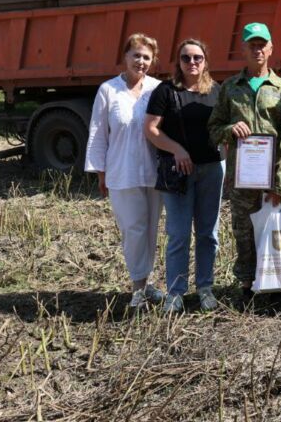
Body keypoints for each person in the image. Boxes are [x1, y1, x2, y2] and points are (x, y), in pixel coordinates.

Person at [207, 22, 281, 309]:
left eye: (262, 44)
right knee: (244, 232)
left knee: (275, 231)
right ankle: (247, 289)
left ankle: (277, 290)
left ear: (270, 49)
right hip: (242, 177)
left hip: (272, 177)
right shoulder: (230, 88)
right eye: (252, 45)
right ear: (243, 50)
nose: (257, 49)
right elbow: (214, 128)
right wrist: (229, 129)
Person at [144, 39, 224, 313]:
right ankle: (176, 292)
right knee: (178, 234)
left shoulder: (217, 91)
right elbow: (151, 128)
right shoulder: (166, 91)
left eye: (197, 57)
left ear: (205, 61)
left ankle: (205, 288)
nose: (192, 62)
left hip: (211, 170)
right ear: (178, 62)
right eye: (186, 58)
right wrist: (176, 149)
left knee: (208, 233)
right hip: (178, 172)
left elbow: (225, 125)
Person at [85, 33, 164, 308]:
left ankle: (147, 282)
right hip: (122, 172)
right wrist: (100, 172)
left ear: (153, 61)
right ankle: (137, 288)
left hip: (154, 172)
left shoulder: (157, 89)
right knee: (134, 229)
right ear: (125, 57)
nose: (141, 61)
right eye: (136, 55)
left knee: (150, 229)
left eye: (146, 57)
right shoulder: (108, 90)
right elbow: (98, 133)